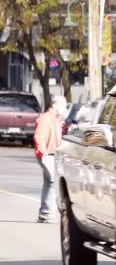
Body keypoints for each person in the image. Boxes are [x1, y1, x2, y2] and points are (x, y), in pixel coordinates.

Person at [34, 95, 67, 223]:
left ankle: (43, 214)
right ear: (55, 105)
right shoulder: (46, 118)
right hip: (47, 155)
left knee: (49, 182)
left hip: (52, 154)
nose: (64, 109)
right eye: (63, 106)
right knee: (53, 181)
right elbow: (39, 137)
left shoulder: (55, 119)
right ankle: (46, 213)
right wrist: (44, 154)